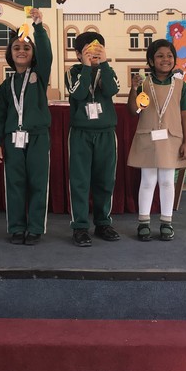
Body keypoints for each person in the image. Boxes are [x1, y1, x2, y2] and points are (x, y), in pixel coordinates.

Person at [0, 7, 52, 245]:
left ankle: (35, 227)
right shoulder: (6, 85)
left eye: (26, 48)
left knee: (38, 183)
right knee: (15, 184)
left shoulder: (39, 75)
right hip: (12, 139)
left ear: (33, 54)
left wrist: (38, 27)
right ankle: (17, 227)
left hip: (37, 137)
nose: (21, 51)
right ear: (10, 53)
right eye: (16, 47)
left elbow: (46, 54)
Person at [127, 39, 186, 242]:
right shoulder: (143, 84)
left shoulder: (180, 85)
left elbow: (185, 116)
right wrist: (133, 90)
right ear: (150, 60)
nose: (165, 59)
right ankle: (143, 222)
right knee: (148, 181)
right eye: (160, 56)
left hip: (171, 139)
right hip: (148, 137)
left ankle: (166, 222)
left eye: (169, 56)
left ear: (175, 59)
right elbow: (134, 111)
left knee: (166, 181)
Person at [65, 32, 121, 247]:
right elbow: (78, 94)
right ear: (78, 54)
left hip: (106, 133)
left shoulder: (108, 70)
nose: (94, 53)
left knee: (105, 180)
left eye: (98, 49)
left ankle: (103, 223)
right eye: (88, 50)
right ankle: (79, 226)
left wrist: (103, 64)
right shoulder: (73, 72)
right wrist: (87, 68)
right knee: (79, 181)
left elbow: (111, 89)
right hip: (81, 133)